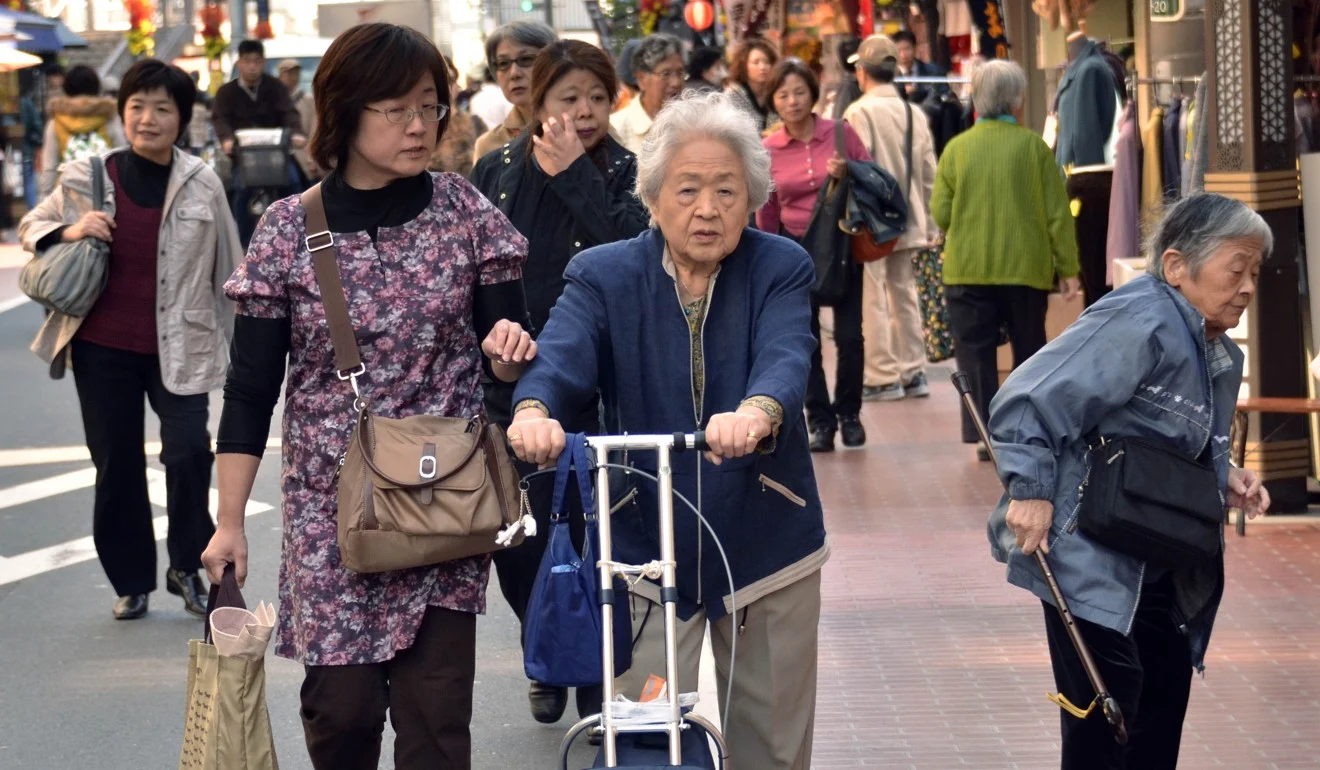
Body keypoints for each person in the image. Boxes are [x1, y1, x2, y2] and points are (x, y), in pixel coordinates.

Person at [200, 23, 534, 769]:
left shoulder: (467, 215)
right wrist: (229, 524)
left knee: (437, 727)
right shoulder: (289, 231)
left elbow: (512, 359)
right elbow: (251, 392)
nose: (419, 125)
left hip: (446, 503)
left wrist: (510, 359)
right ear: (345, 113)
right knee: (340, 718)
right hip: (333, 516)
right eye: (395, 109)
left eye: (430, 105)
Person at [508, 89, 826, 770]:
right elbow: (559, 356)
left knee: (771, 744)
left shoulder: (779, 267)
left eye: (726, 190)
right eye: (687, 190)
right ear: (652, 197)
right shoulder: (603, 274)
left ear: (752, 199)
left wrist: (758, 413)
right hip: (642, 538)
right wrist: (534, 411)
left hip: (768, 533)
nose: (707, 209)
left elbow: (785, 355)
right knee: (644, 730)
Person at [988, 193, 1272, 769]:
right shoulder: (1140, 318)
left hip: (1156, 558)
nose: (1247, 287)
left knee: (1159, 710)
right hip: (1088, 554)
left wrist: (1224, 478)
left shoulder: (1214, 348)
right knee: (1106, 728)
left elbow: (1163, 447)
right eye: (1236, 269)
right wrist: (1031, 490)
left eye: (1256, 273)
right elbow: (1027, 399)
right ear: (1175, 266)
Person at [19, 58, 240, 621]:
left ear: (181, 119)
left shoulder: (201, 182)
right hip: (103, 348)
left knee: (190, 452)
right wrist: (72, 228)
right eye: (137, 107)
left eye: (163, 108)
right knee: (115, 462)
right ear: (123, 114)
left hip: (182, 345)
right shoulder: (87, 174)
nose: (148, 118)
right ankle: (132, 579)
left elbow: (231, 271)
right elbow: (31, 226)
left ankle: (188, 567)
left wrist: (244, 349)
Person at [471, 38, 650, 728]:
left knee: (600, 538)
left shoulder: (630, 171)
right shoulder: (498, 171)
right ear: (537, 101)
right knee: (520, 542)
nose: (583, 113)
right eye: (567, 99)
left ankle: (591, 673)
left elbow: (631, 258)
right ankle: (538, 645)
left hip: (604, 387)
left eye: (598, 99)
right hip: (514, 386)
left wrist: (579, 175)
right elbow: (475, 277)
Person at [931, 60, 1080, 460]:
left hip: (967, 268)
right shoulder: (1034, 148)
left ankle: (985, 435)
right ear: (1017, 101)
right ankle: (1028, 431)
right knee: (1030, 349)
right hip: (1025, 269)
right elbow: (1057, 214)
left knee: (975, 353)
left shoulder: (956, 149)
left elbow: (941, 213)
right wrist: (1068, 270)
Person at [757, 59, 872, 452]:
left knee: (850, 336)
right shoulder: (767, 148)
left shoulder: (841, 134)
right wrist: (767, 257)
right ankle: (819, 421)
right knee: (805, 340)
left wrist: (850, 170)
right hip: (793, 250)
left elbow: (873, 179)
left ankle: (850, 414)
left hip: (840, 245)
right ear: (773, 100)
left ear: (813, 93)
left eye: (799, 92)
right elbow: (766, 207)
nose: (792, 101)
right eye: (783, 95)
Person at [843, 35, 938, 402]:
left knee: (874, 296)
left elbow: (857, 167)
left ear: (863, 71)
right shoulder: (914, 113)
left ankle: (882, 375)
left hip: (872, 223)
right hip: (908, 216)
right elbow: (929, 171)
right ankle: (914, 371)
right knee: (905, 294)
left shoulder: (859, 113)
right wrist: (929, 223)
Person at [211, 39, 306, 244]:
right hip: (243, 158)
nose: (252, 66)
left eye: (256, 61)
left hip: (276, 155)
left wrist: (297, 133)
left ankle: (298, 235)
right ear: (239, 63)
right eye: (247, 61)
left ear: (263, 62)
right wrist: (227, 140)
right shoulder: (226, 92)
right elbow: (221, 119)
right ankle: (243, 243)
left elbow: (289, 113)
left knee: (295, 184)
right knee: (240, 192)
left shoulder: (276, 87)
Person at [473, 20, 558, 162]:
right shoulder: (488, 146)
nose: (514, 73)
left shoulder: (587, 129)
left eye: (526, 59)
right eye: (503, 63)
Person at [39, 65, 127, 197]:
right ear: (96, 88)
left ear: (66, 88)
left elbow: (50, 167)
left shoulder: (56, 122)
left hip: (68, 195)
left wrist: (44, 198)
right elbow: (122, 157)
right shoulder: (108, 118)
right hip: (105, 194)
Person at [610, 33, 685, 154]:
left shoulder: (693, 124)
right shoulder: (616, 129)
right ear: (641, 79)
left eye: (680, 73)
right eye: (665, 74)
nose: (676, 83)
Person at [429, 58, 486, 177]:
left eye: (449, 80)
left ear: (456, 85)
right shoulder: (419, 126)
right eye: (439, 81)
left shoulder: (475, 123)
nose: (445, 86)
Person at [276, 58, 321, 184]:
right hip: (279, 155)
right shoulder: (274, 100)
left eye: (294, 73)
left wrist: (312, 157)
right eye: (286, 73)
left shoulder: (309, 100)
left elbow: (315, 130)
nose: (290, 77)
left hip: (304, 154)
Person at [726, 37, 780, 131]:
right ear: (744, 66)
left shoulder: (777, 93)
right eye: (756, 62)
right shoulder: (733, 96)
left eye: (767, 62)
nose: (762, 67)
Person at [893, 30, 948, 103]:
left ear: (915, 48)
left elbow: (944, 95)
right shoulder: (889, 75)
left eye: (907, 49)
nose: (903, 55)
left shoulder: (934, 71)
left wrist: (918, 93)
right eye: (899, 50)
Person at [469, 64, 513, 133]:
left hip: (479, 138)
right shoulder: (504, 97)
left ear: (484, 78)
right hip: (501, 138)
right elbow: (511, 121)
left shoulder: (474, 99)